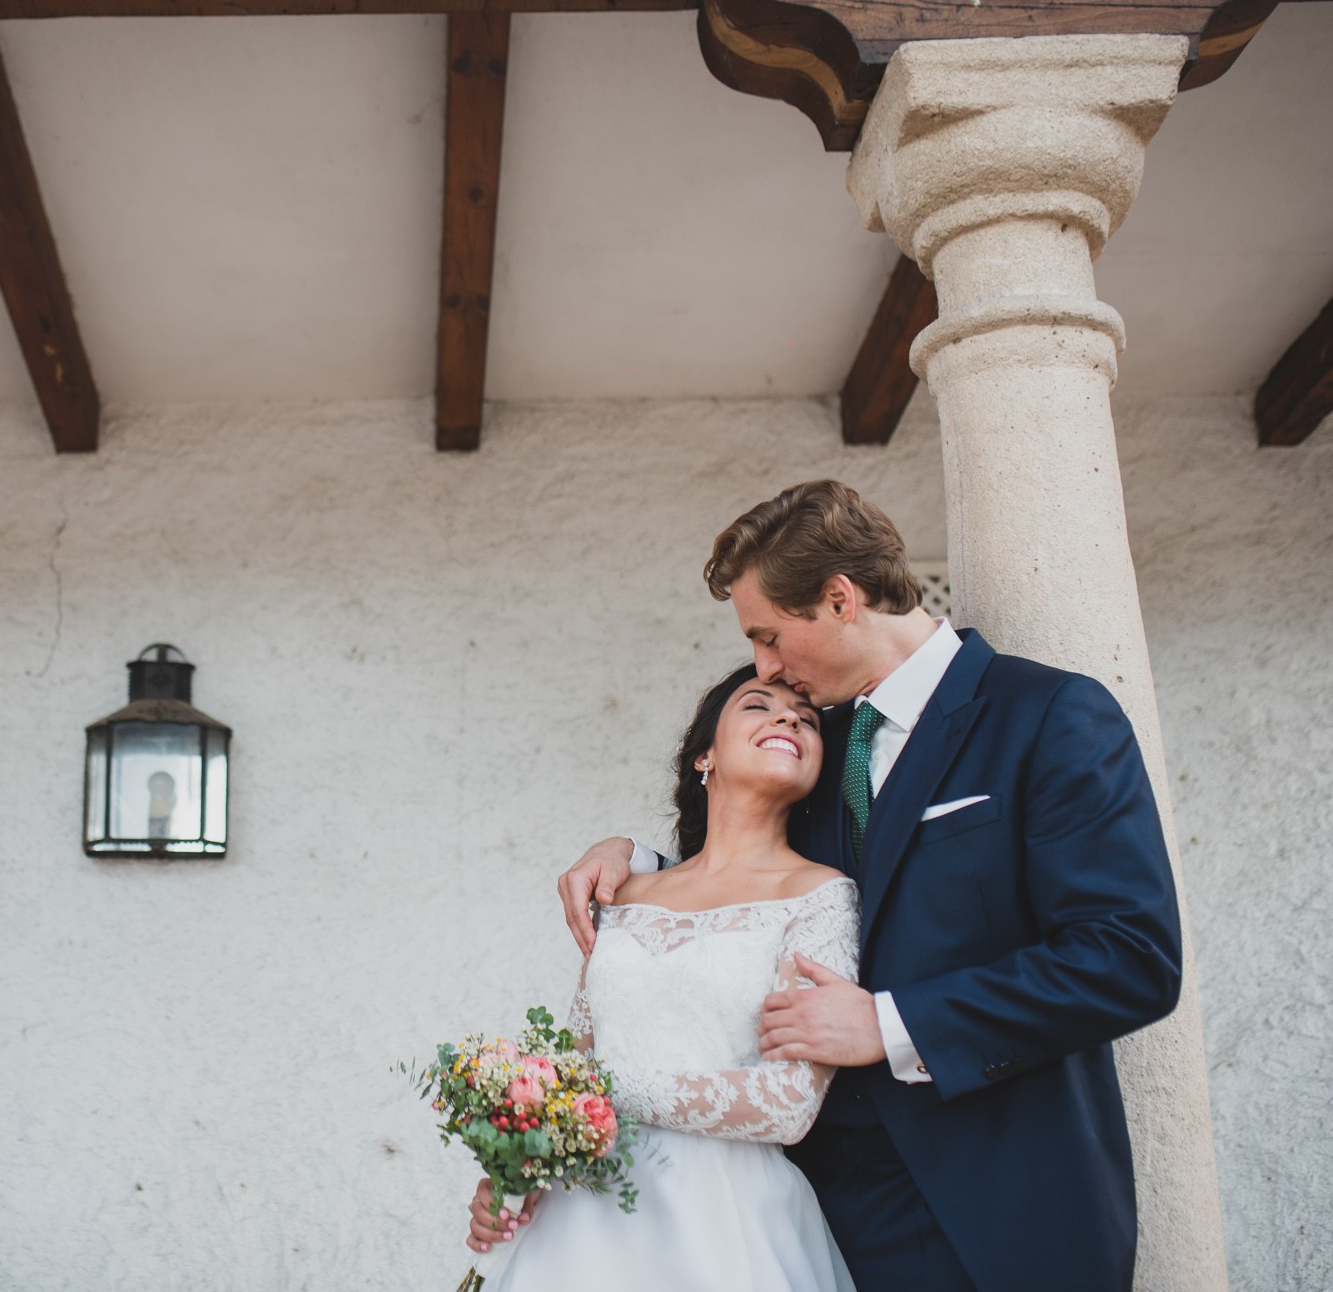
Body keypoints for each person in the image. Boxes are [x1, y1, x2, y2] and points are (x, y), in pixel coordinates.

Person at [554, 480, 1183, 1292]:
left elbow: (1127, 956)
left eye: (770, 635)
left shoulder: (1047, 714)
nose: (766, 666)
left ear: (841, 599)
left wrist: (890, 1023)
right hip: (816, 1221)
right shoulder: (815, 741)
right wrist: (638, 857)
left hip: (999, 1207)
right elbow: (744, 877)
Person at [466, 664, 859, 1292]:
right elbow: (573, 1063)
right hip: (581, 1219)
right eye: (759, 705)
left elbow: (788, 1105)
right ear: (704, 755)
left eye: (807, 719)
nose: (788, 717)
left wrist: (600, 1098)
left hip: (726, 1222)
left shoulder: (817, 896)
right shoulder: (624, 893)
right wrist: (519, 1164)